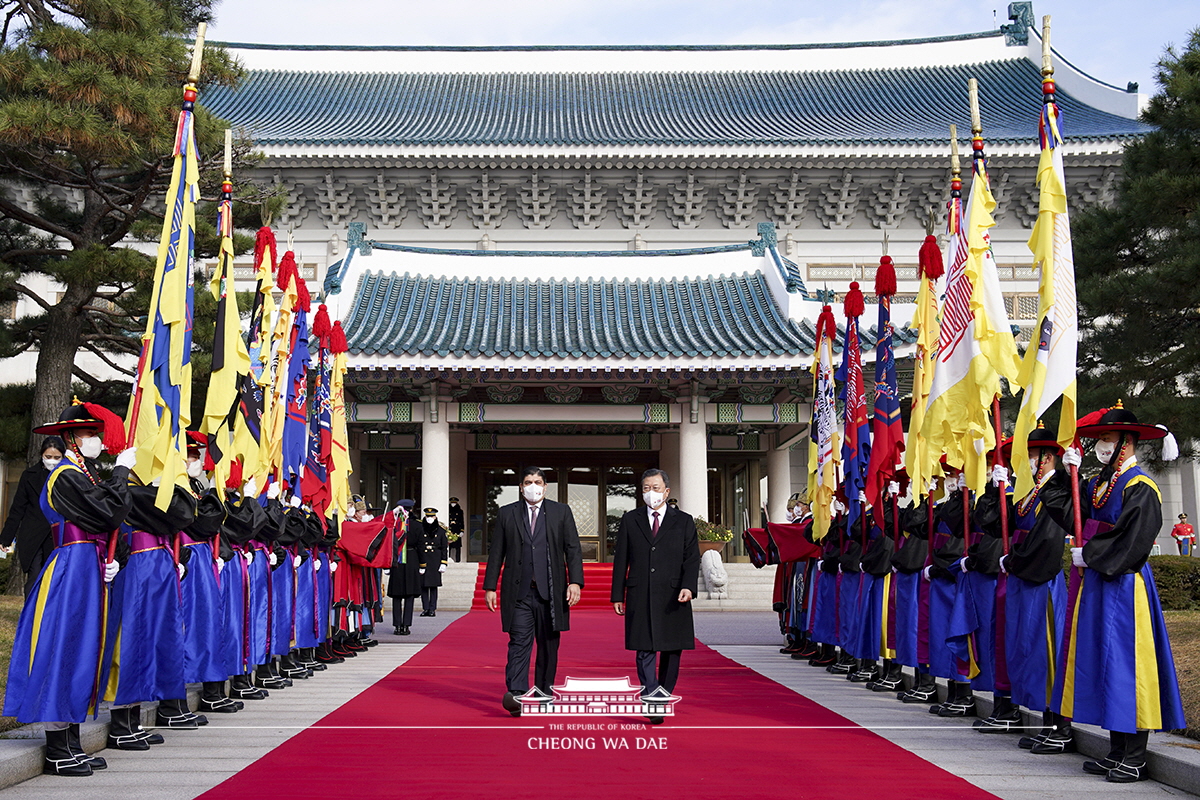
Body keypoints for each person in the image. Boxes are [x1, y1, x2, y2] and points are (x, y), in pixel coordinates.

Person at [1043, 402, 1185, 784]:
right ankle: (1118, 748)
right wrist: (1060, 475)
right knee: (1104, 665)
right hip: (1098, 582)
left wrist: (1088, 555)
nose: (1101, 445)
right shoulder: (1098, 483)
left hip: (1124, 585)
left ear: (1126, 441)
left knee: (1127, 666)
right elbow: (1068, 509)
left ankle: (1135, 755)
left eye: (1107, 438)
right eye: (1100, 439)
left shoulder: (1142, 486)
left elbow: (1133, 540)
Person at [5, 402, 135, 775]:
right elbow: (109, 511)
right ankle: (57, 747)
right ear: (69, 439)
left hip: (89, 567)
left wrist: (117, 558)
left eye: (95, 433)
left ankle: (72, 740)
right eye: (88, 434)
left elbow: (110, 524)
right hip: (71, 570)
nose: (95, 440)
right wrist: (122, 470)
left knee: (84, 652)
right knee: (63, 648)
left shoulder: (85, 475)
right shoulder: (65, 476)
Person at [484, 467, 583, 717]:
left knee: (549, 646)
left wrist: (575, 582)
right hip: (518, 593)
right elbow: (497, 553)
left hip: (552, 592)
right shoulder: (508, 513)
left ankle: (543, 693)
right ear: (520, 486)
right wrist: (489, 586)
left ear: (545, 486)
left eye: (538, 482)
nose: (533, 486)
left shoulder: (561, 512)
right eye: (528, 482)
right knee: (519, 643)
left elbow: (572, 548)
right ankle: (517, 694)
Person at [611, 468, 699, 724]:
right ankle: (650, 695)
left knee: (673, 650)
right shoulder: (631, 519)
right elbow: (621, 560)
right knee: (644, 648)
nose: (651, 493)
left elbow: (691, 558)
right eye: (646, 488)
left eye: (656, 488)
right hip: (640, 592)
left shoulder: (683, 520)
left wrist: (688, 586)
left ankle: (662, 695)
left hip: (674, 594)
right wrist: (618, 594)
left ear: (667, 491)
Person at [0, 436, 66, 598]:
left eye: (57, 458)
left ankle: (49, 617)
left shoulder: (67, 476)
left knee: (54, 576)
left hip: (58, 534)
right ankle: (31, 615)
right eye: (48, 457)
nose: (52, 461)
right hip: (32, 535)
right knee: (34, 575)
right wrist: (6, 538)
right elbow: (17, 508)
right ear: (41, 455)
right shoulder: (29, 475)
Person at [387, 499, 420, 635]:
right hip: (411, 559)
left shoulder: (394, 523)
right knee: (408, 596)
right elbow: (421, 544)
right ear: (411, 509)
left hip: (396, 559)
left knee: (397, 595)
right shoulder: (417, 526)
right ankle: (406, 625)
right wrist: (423, 564)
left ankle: (397, 626)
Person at [418, 506, 448, 617]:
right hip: (424, 560)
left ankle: (432, 608)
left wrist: (443, 563)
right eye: (427, 516)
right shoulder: (421, 529)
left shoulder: (441, 531)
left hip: (435, 560)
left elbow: (444, 548)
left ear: (435, 517)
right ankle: (425, 608)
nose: (429, 518)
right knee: (424, 585)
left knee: (433, 586)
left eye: (432, 516)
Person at [448, 497, 464, 562]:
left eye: (454, 503)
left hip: (457, 530)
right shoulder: (448, 510)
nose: (453, 504)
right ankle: (448, 558)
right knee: (449, 546)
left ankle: (458, 560)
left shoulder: (460, 511)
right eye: (452, 503)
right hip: (450, 530)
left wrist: (462, 530)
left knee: (457, 547)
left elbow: (461, 521)